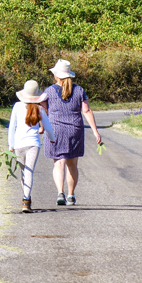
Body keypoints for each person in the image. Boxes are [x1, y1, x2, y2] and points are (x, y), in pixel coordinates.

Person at [44, 59, 102, 206]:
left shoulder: (49, 91)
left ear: (56, 76)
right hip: (74, 130)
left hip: (55, 130)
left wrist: (41, 127)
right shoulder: (79, 90)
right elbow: (87, 111)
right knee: (72, 164)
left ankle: (60, 193)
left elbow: (43, 111)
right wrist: (96, 132)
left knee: (59, 163)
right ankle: (71, 195)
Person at [8, 80, 55, 213]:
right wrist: (52, 139)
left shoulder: (17, 106)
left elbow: (12, 127)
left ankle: (25, 199)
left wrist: (11, 145)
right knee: (29, 172)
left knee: (24, 172)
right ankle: (26, 199)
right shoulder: (39, 109)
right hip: (33, 144)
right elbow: (48, 127)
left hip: (19, 145)